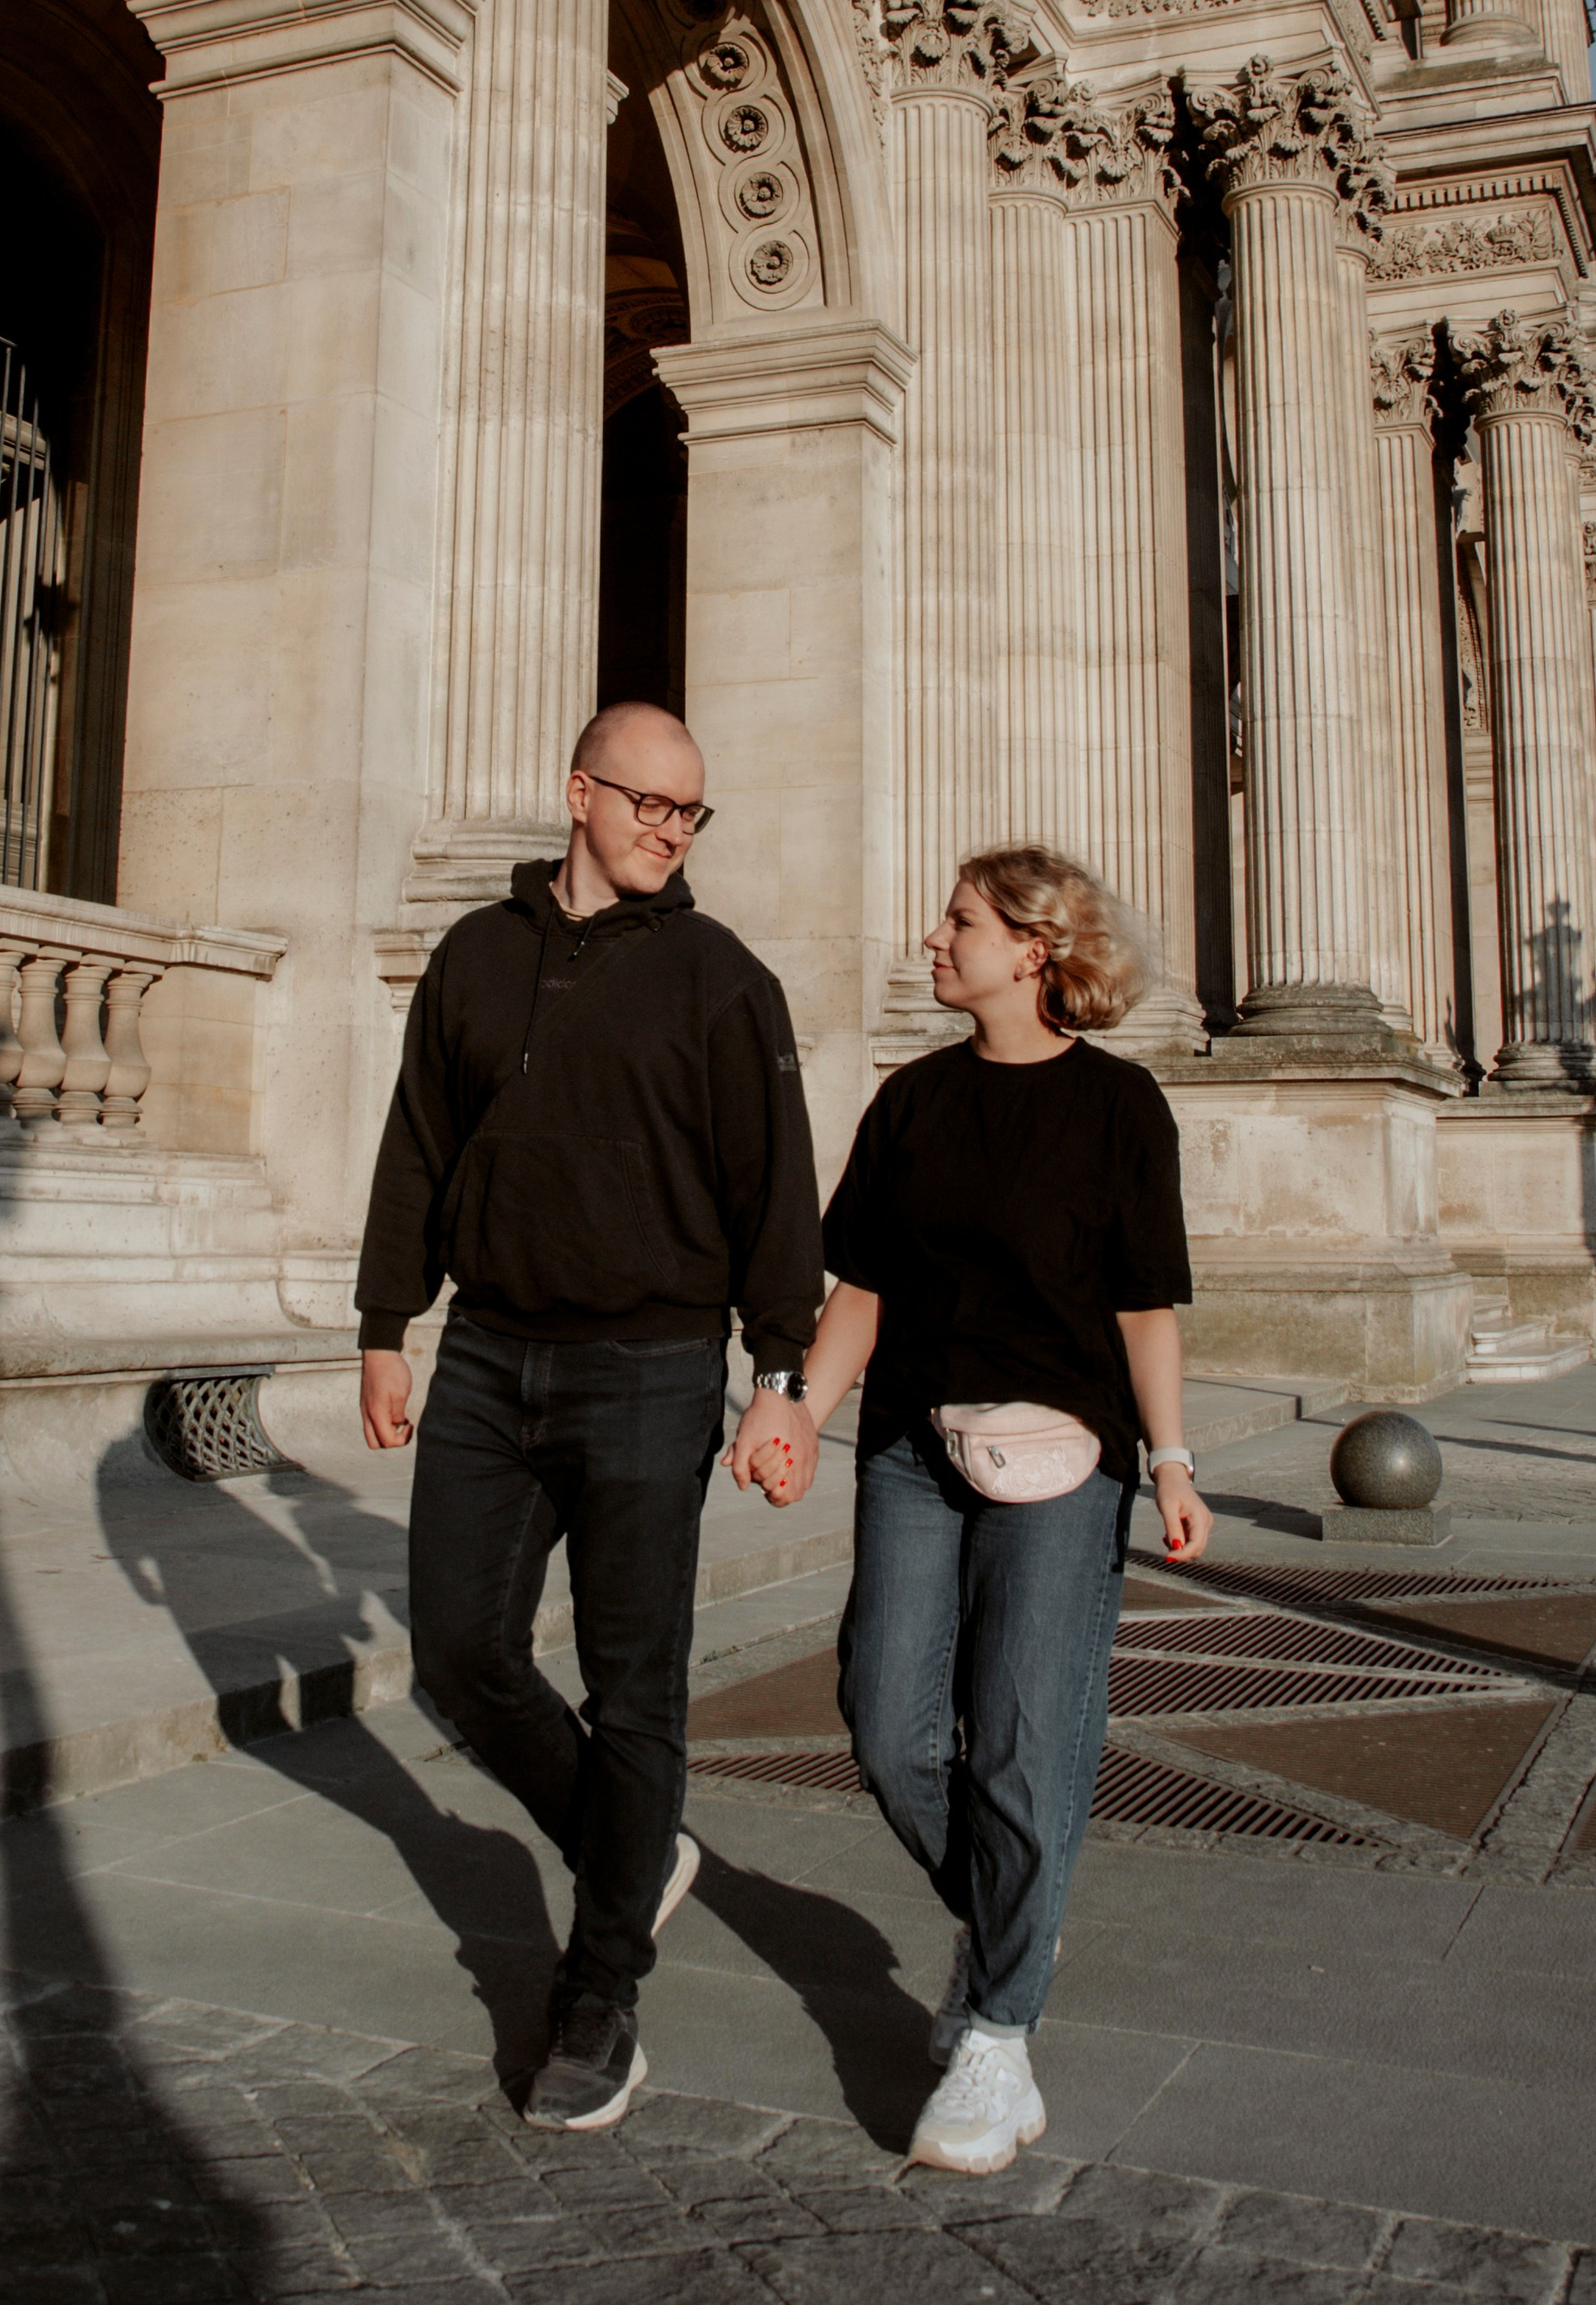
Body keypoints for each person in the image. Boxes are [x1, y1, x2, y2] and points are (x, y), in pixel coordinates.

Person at [356, 701, 825, 2131]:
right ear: (578, 792)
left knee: (639, 1687)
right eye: (645, 805)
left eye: (688, 814)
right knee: (460, 1650)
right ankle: (635, 1849)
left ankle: (601, 1988)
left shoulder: (721, 980)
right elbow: (418, 1142)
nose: (665, 832)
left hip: (652, 1367)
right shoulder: (475, 955)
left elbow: (776, 1192)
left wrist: (781, 1377)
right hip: (491, 1356)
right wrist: (388, 1324)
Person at [801, 844, 1212, 2177]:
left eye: (961, 921)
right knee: (882, 1717)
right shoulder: (910, 1101)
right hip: (913, 1447)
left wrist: (1173, 1462)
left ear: (1034, 949)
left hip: (1065, 1460)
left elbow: (1144, 1302)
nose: (935, 938)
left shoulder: (1118, 1107)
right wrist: (796, 1411)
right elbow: (858, 1283)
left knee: (1025, 1747)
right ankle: (1010, 1923)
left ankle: (999, 2032)